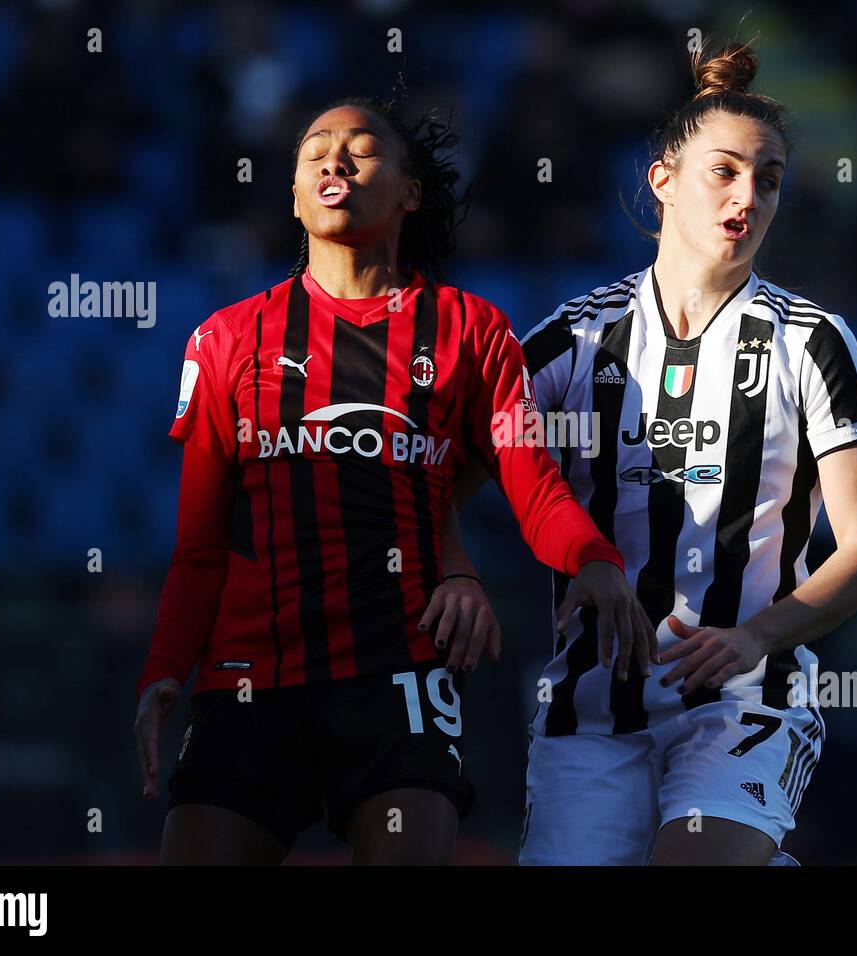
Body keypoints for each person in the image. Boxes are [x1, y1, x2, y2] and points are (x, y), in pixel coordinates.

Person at [132, 96, 654, 865]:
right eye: (316, 153)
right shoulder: (226, 340)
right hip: (249, 678)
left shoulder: (472, 331)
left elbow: (534, 486)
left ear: (410, 191)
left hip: (398, 673)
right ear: (295, 195)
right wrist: (165, 671)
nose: (335, 161)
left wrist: (596, 561)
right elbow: (202, 546)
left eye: (362, 149)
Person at [450, 42, 857, 865]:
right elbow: (452, 480)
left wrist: (759, 635)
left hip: (742, 698)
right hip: (590, 715)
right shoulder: (572, 337)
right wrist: (453, 569)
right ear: (662, 182)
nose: (747, 196)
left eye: (767, 179)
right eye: (723, 171)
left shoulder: (813, 341)